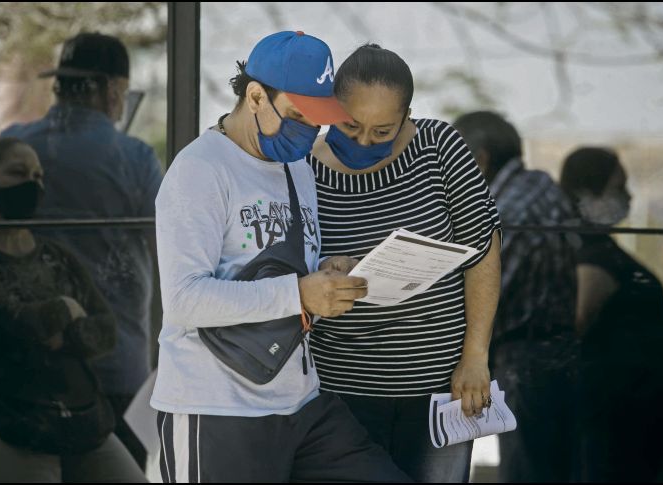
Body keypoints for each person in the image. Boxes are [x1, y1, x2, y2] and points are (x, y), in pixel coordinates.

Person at [151, 31, 411, 483]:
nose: (309, 131)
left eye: (318, 119)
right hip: (215, 407)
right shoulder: (200, 169)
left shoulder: (296, 166)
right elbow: (183, 301)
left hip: (302, 403)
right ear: (255, 96)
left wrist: (326, 271)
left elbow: (286, 270)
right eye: (297, 116)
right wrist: (299, 293)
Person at [306, 44, 502, 483]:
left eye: (382, 131)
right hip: (338, 389)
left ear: (407, 115)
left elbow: (483, 252)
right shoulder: (303, 166)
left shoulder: (439, 147)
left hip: (439, 388)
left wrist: (475, 357)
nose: (363, 141)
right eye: (351, 125)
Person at [0, 138, 146, 483]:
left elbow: (104, 332)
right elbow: (7, 325)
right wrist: (64, 309)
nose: (33, 184)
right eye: (18, 173)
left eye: (38, 175)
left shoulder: (54, 255)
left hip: (66, 411)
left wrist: (55, 330)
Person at [0, 32, 163, 468]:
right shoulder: (135, 158)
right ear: (111, 89)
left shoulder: (15, 145)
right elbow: (169, 251)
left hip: (28, 359)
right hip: (115, 360)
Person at [452, 110, 581, 482]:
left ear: (480, 158)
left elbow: (489, 296)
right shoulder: (541, 187)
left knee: (526, 471)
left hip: (523, 362)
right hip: (560, 356)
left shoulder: (505, 211)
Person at [560, 147, 663, 482]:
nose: (627, 196)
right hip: (624, 414)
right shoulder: (593, 257)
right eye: (617, 187)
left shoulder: (599, 250)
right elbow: (578, 322)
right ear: (586, 192)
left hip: (641, 411)